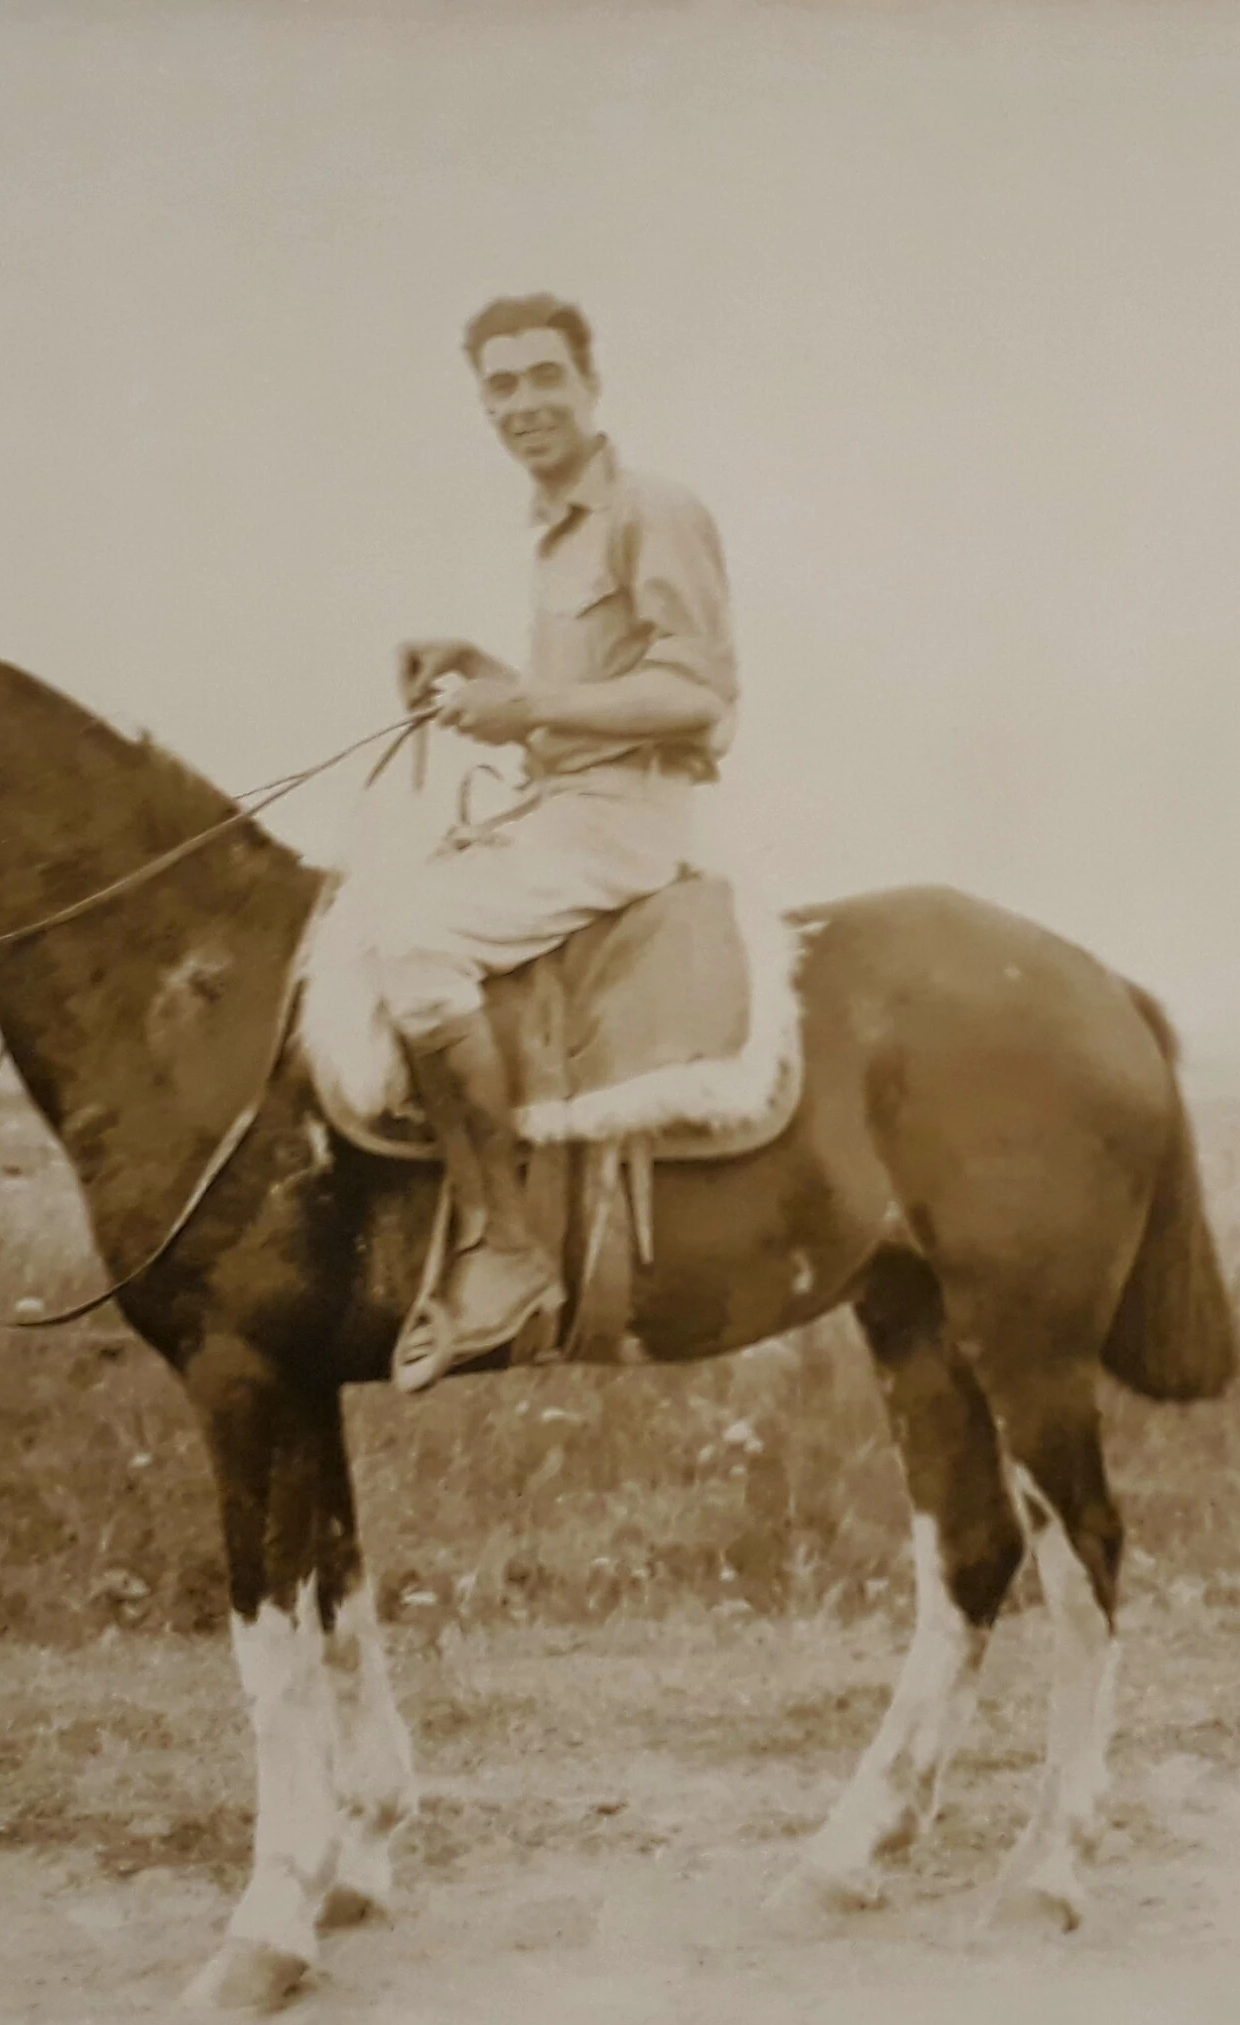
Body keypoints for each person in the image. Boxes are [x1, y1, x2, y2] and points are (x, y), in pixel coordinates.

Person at [380, 294, 739, 1391]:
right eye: (500, 384)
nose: (523, 402)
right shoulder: (552, 528)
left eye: (545, 377)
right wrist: (486, 671)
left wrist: (525, 705)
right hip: (562, 805)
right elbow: (588, 686)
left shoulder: (650, 509)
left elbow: (695, 691)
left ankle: (506, 1248)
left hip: (624, 815)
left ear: (591, 388)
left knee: (409, 943)